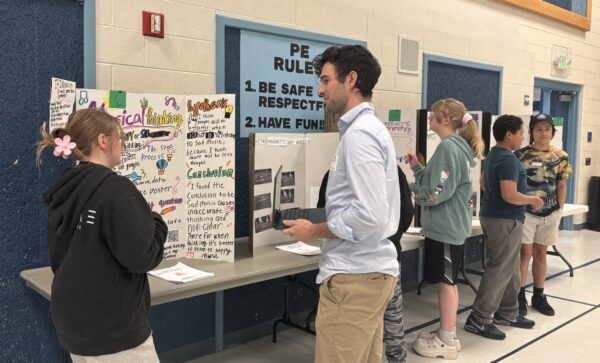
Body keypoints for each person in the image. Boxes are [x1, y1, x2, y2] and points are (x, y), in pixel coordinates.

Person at [281, 45, 400, 363]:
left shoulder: (360, 135)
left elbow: (370, 214)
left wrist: (313, 230)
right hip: (367, 274)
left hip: (355, 279)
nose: (320, 90)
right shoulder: (367, 131)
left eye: (325, 80)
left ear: (351, 79)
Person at [36, 109, 168, 362]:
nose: (123, 145)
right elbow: (142, 257)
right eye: (121, 138)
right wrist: (157, 222)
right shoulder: (116, 190)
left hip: (73, 323)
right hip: (114, 329)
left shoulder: (66, 187)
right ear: (103, 140)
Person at [406, 99, 484, 359]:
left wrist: (412, 191)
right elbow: (438, 181)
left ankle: (447, 339)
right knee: (443, 281)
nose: (429, 119)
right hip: (444, 227)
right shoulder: (451, 148)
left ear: (446, 119)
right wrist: (418, 168)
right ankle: (445, 331)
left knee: (447, 283)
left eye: (433, 116)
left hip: (446, 228)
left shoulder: (449, 148)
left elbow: (438, 192)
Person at [465, 115, 543, 340]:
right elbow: (509, 195)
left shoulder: (492, 156)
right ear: (509, 134)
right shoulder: (509, 160)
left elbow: (482, 182)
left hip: (493, 215)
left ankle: (508, 312)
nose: (522, 137)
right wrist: (532, 200)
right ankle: (479, 319)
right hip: (505, 219)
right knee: (499, 268)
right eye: (521, 133)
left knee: (508, 266)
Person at [515, 113, 572, 316]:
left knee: (541, 254)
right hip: (527, 212)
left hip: (550, 212)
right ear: (531, 132)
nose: (543, 133)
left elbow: (562, 183)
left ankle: (539, 295)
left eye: (547, 129)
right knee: (525, 253)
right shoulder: (520, 155)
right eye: (538, 129)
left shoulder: (561, 155)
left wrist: (560, 207)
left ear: (552, 131)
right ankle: (519, 295)